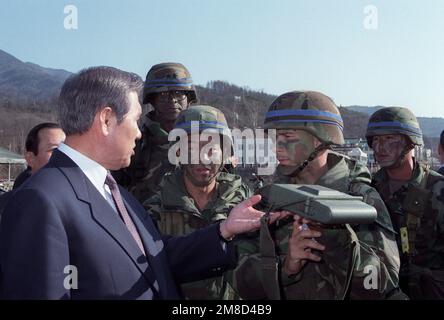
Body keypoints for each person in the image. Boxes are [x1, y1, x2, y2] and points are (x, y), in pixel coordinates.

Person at [0, 66, 284, 300]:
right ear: (107, 120)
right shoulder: (40, 200)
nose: (139, 133)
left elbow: (154, 258)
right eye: (136, 120)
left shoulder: (115, 193)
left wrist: (223, 230)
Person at [232, 91, 403, 300]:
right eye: (275, 138)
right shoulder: (268, 200)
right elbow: (241, 283)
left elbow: (384, 286)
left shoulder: (362, 200)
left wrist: (337, 241)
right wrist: (286, 268)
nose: (277, 148)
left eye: (287, 137)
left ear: (319, 140)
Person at [144, 105, 251, 299]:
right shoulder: (153, 211)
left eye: (211, 149)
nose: (203, 158)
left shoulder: (247, 206)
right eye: (192, 148)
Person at [366, 107, 444, 299]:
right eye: (375, 140)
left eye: (389, 139)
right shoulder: (367, 190)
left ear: (411, 143)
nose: (380, 148)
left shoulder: (437, 189)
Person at [114, 62, 197, 202]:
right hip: (143, 220)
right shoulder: (134, 141)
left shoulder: (204, 140)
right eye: (163, 94)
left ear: (188, 98)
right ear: (152, 99)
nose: (172, 100)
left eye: (179, 93)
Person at [13, 122, 65, 189]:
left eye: (66, 149)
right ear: (31, 158)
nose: (64, 155)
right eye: (55, 149)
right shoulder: (25, 188)